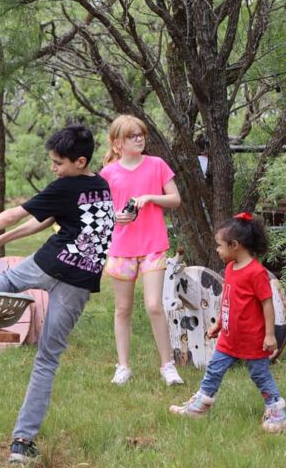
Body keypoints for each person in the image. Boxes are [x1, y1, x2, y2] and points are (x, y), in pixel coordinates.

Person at [0, 122, 115, 463]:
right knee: (47, 360)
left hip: (52, 262)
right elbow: (44, 219)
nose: (54, 168)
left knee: (7, 282)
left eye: (58, 163)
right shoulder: (99, 187)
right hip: (81, 280)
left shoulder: (65, 186)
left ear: (79, 162)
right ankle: (22, 443)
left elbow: (15, 213)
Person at [169, 214, 286, 432]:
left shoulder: (256, 273)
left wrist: (270, 335)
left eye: (220, 246)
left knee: (260, 374)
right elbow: (228, 301)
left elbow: (267, 305)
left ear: (235, 245)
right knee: (214, 369)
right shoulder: (231, 268)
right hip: (230, 336)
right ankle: (199, 406)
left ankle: (277, 412)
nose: (217, 250)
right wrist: (220, 325)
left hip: (252, 339)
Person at [100, 115, 184, 386]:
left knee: (153, 305)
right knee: (122, 309)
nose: (139, 139)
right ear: (116, 144)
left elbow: (175, 199)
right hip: (122, 249)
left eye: (141, 134)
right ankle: (123, 366)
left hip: (153, 246)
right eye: (132, 136)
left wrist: (150, 197)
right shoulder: (108, 173)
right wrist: (115, 216)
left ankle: (167, 366)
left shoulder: (157, 165)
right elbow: (101, 212)